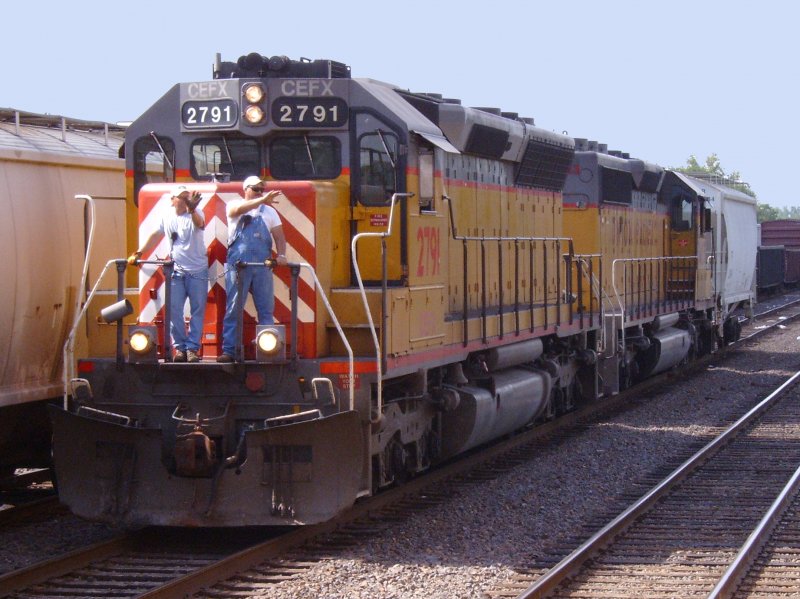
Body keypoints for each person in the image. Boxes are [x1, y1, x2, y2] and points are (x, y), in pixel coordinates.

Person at [128, 186, 207, 363]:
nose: (186, 200)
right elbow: (155, 235)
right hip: (176, 271)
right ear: (173, 200)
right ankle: (180, 348)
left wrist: (192, 209)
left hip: (197, 271)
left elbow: (199, 223)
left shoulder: (195, 212)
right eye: (182, 197)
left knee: (198, 310)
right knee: (174, 310)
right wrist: (139, 253)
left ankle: (193, 349)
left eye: (187, 197)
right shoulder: (167, 216)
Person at [217, 176, 288, 363]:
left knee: (265, 309)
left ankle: (268, 350)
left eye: (261, 189)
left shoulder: (270, 213)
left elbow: (280, 237)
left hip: (262, 267)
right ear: (246, 189)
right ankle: (229, 350)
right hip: (237, 266)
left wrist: (281, 255)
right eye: (256, 189)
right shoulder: (234, 205)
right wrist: (262, 200)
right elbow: (236, 210)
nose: (259, 192)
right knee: (233, 309)